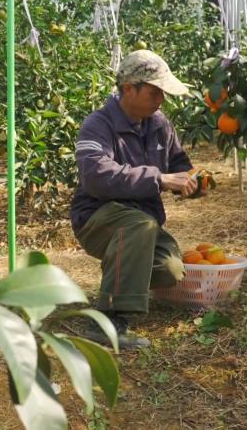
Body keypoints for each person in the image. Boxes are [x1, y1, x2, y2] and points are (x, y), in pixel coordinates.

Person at [70, 49, 199, 349]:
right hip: (97, 217)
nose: (161, 100)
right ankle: (107, 320)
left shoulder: (159, 124)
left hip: (143, 223)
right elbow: (95, 176)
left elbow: (178, 164)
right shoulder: (98, 125)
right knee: (139, 225)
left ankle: (118, 279)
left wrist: (194, 181)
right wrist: (159, 179)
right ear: (129, 89)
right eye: (155, 92)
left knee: (169, 269)